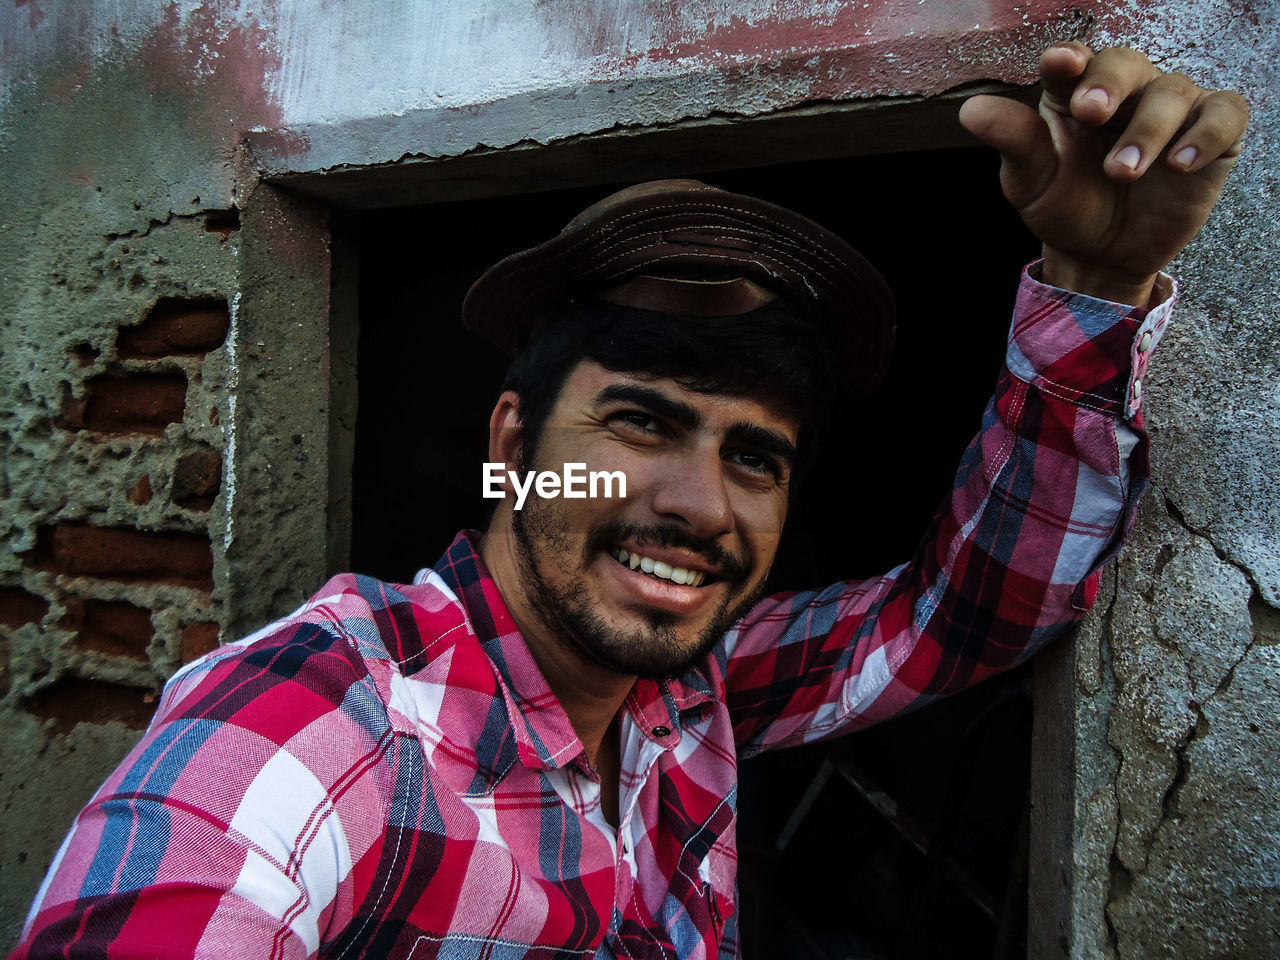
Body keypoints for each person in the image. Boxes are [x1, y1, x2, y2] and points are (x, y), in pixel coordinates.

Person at [10, 43, 1248, 960]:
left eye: (753, 456)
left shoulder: (690, 697)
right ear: (514, 442)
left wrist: (1091, 280)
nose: (697, 505)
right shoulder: (327, 720)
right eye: (640, 423)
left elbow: (962, 615)